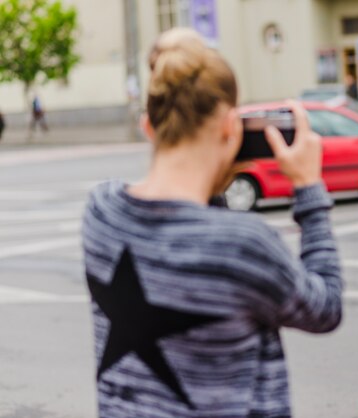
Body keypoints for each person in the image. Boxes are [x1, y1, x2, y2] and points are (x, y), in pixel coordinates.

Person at [82, 28, 342, 417]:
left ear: (148, 126)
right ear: (228, 126)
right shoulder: (243, 244)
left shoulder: (101, 210)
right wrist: (307, 186)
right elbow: (325, 308)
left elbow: (191, 225)